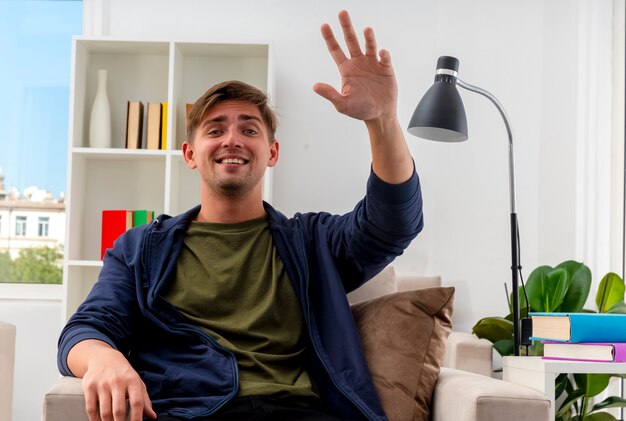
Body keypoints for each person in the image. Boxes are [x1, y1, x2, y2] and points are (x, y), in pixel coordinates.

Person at [57, 10, 423, 421]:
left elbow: (392, 224)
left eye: (249, 129)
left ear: (272, 153)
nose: (232, 138)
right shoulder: (141, 248)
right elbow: (84, 329)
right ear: (190, 154)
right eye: (215, 129)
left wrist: (382, 120)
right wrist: (104, 359)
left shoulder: (311, 240)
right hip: (188, 412)